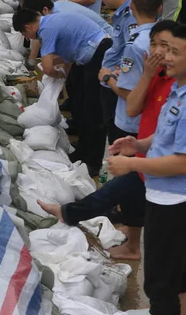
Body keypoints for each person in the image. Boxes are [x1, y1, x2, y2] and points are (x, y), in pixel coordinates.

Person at [37, 20, 177, 263]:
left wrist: (136, 162)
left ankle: (68, 213)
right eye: (153, 44)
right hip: (149, 153)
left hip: (165, 175)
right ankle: (132, 245)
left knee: (120, 193)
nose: (157, 52)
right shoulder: (159, 76)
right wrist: (141, 145)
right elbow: (133, 108)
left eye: (166, 47)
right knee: (130, 196)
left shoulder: (179, 87)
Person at [108, 24, 186, 315]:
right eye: (161, 47)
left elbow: (182, 161)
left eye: (174, 52)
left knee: (160, 284)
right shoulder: (177, 89)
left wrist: (132, 164)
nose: (164, 56)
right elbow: (165, 136)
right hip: (162, 195)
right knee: (174, 279)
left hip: (174, 201)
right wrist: (138, 144)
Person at [12, 7, 112, 175]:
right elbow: (65, 55)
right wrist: (60, 73)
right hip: (89, 55)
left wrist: (56, 74)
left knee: (93, 112)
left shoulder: (47, 29)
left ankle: (93, 162)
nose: (27, 38)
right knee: (81, 102)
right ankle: (83, 149)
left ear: (28, 27)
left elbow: (48, 66)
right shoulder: (51, 22)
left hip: (99, 54)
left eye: (24, 34)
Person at [99, 0, 163, 139]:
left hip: (131, 124)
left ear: (132, 6)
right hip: (154, 120)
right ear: (160, 8)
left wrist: (108, 78)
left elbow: (129, 93)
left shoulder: (135, 44)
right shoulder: (163, 39)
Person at [96, 0, 138, 144]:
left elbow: (132, 49)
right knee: (109, 123)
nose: (102, 0)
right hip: (110, 76)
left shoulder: (130, 16)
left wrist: (115, 74)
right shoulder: (122, 12)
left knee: (114, 127)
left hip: (116, 79)